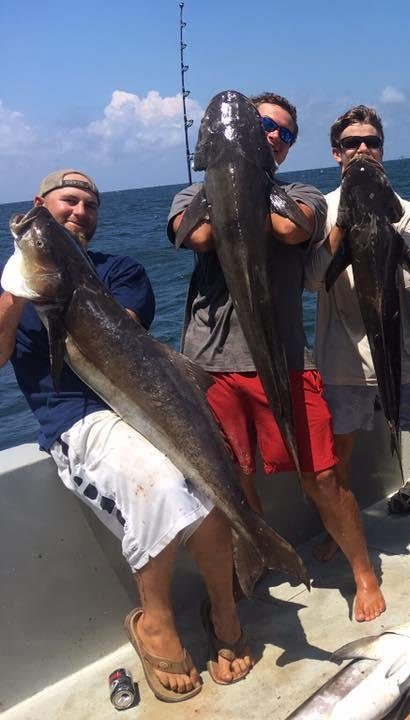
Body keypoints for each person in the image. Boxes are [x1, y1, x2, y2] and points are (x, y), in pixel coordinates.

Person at [0, 170, 253, 701]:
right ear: (39, 204)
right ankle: (154, 622)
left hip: (139, 405)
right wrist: (17, 292)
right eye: (67, 202)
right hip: (76, 419)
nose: (79, 212)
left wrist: (57, 282)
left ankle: (224, 606)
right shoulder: (13, 290)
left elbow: (117, 332)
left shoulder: (121, 270)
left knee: (211, 496)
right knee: (157, 483)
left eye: (90, 205)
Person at [168, 93, 385, 622]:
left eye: (283, 133)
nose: (272, 136)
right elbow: (192, 234)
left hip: (286, 362)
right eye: (263, 125)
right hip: (208, 366)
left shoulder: (301, 193)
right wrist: (226, 184)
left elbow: (292, 228)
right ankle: (255, 563)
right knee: (233, 482)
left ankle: (362, 570)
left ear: (287, 150)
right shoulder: (192, 193)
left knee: (322, 476)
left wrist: (248, 187)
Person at [305, 105, 410, 587]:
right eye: (352, 143)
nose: (363, 149)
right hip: (341, 360)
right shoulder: (319, 209)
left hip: (400, 353)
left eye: (372, 142)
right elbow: (314, 279)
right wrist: (344, 226)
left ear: (383, 149)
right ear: (336, 152)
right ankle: (341, 536)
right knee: (336, 457)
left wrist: (385, 231)